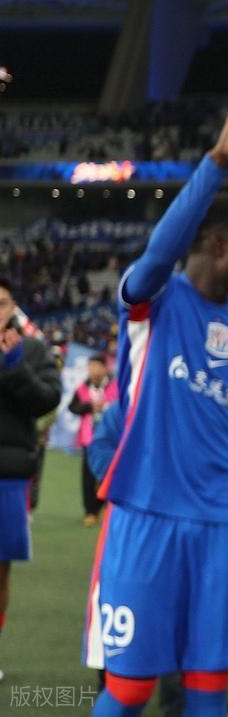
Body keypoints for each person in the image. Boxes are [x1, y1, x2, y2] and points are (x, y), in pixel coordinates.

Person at [84, 80, 228, 717]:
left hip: (219, 523)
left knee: (207, 687)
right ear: (218, 245)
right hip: (145, 513)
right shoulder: (153, 300)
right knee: (130, 688)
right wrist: (216, 164)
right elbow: (160, 251)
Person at [0, 278, 62, 684]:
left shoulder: (34, 350)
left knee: (0, 572)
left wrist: (13, 366)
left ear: (13, 307)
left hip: (8, 475)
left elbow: (47, 399)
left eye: (2, 302)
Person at [69, 353, 117, 526]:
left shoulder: (116, 386)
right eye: (90, 366)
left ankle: (108, 507)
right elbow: (73, 407)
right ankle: (91, 511)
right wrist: (89, 406)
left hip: (112, 440)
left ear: (105, 368)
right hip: (89, 439)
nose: (92, 370)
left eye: (96, 366)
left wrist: (106, 407)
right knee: (88, 478)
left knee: (110, 474)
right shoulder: (82, 388)